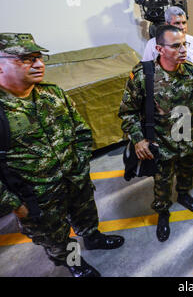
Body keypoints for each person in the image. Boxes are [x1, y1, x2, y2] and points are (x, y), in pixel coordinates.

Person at [0, 33, 124, 277]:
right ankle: (75, 264)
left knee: (86, 215)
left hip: (75, 179)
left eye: (39, 57)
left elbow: (81, 129)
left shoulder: (52, 93)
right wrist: (14, 205)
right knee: (56, 237)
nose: (38, 64)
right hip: (36, 197)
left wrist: (80, 164)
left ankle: (93, 238)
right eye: (26, 59)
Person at [118, 25, 193, 242]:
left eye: (184, 44)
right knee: (162, 182)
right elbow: (127, 112)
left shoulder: (189, 71)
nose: (183, 50)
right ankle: (163, 212)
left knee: (187, 171)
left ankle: (185, 194)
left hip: (186, 139)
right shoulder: (144, 75)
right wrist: (138, 139)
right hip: (160, 143)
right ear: (160, 48)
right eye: (176, 46)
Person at [142, 6, 193, 82]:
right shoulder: (152, 44)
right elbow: (147, 70)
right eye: (177, 23)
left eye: (184, 23)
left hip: (189, 88)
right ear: (167, 24)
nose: (182, 27)